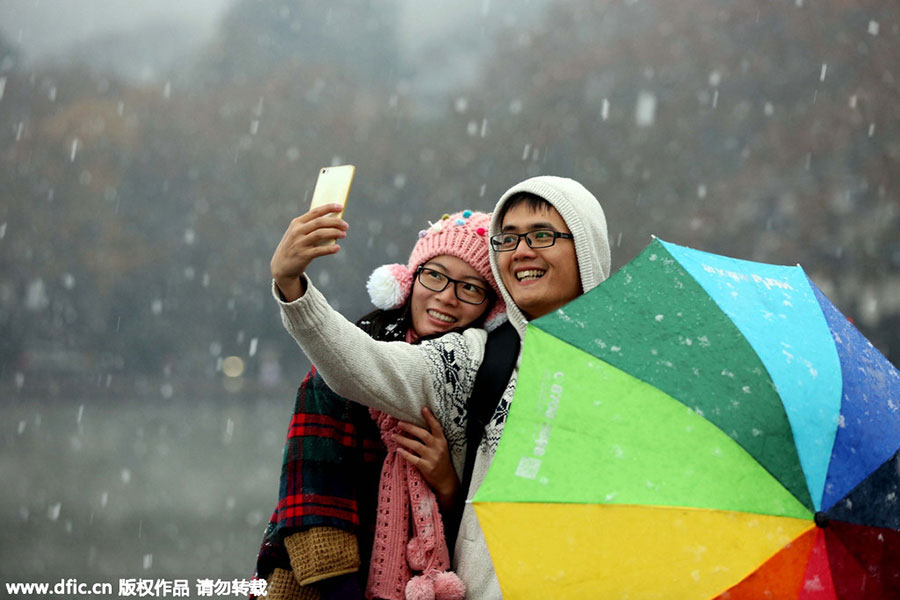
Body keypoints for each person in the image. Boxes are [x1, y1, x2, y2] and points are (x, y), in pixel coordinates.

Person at [271, 175, 610, 598]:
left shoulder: (632, 373)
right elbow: (363, 366)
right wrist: (293, 288)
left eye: (542, 235)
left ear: (587, 245)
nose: (522, 251)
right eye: (508, 238)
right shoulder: (479, 356)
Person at [257, 209, 506, 600]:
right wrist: (290, 282)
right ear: (406, 280)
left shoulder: (486, 380)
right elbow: (312, 502)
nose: (446, 297)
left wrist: (447, 484)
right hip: (331, 585)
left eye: (471, 288)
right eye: (435, 275)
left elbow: (482, 530)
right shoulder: (342, 366)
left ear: (490, 308)